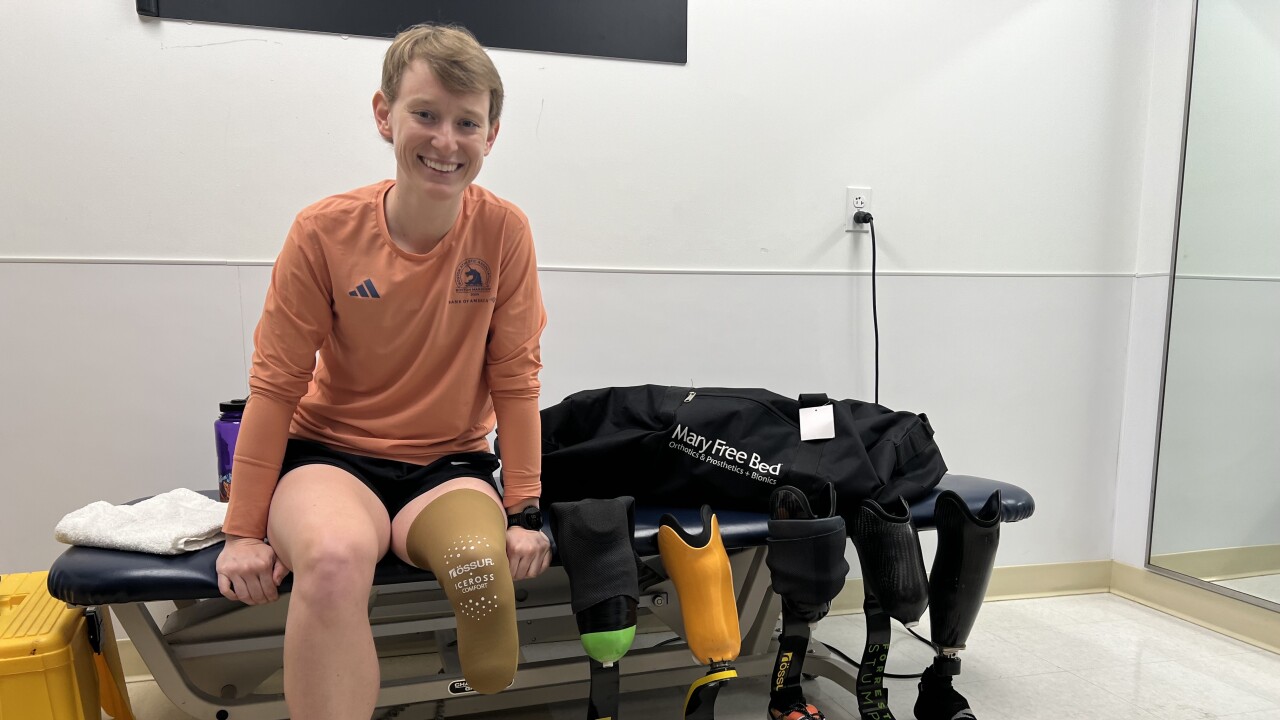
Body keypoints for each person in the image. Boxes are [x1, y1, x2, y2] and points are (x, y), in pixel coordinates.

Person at [214, 23, 550, 720]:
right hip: (331, 462)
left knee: (482, 574)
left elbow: (517, 381)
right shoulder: (323, 232)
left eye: (467, 123)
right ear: (383, 114)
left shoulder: (505, 232)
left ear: (490, 136)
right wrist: (243, 531)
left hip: (447, 467)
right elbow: (274, 386)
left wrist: (524, 511)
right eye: (425, 115)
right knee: (334, 561)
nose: (445, 141)